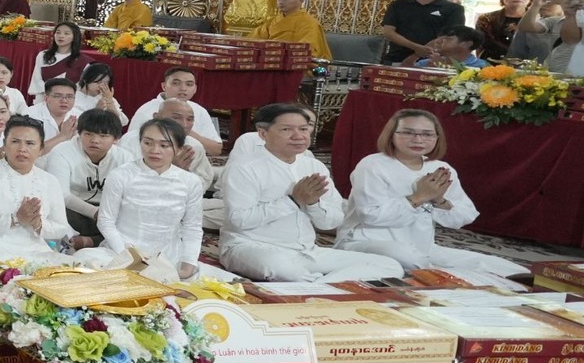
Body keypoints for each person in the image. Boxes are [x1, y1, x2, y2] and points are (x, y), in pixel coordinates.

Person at [335, 109, 526, 285]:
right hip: (364, 241)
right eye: (408, 132)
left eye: (427, 134)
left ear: (437, 138)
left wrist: (439, 201)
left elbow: (464, 216)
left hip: (421, 246)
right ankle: (445, 282)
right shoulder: (373, 165)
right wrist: (417, 198)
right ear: (391, 135)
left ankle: (449, 280)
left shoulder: (439, 168)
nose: (418, 139)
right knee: (409, 258)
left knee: (497, 265)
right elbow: (370, 216)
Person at [218, 103, 400, 283]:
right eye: (286, 130)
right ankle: (318, 283)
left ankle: (316, 285)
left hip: (306, 252)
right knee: (284, 269)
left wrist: (313, 204)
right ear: (263, 133)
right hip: (252, 247)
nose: (298, 136)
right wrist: (293, 201)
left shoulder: (313, 166)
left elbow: (331, 222)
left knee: (390, 266)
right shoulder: (244, 168)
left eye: (304, 129)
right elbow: (239, 221)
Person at [78, 117, 206, 267]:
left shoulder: (190, 182)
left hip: (167, 257)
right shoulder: (121, 175)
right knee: (82, 259)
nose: (154, 150)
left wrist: (189, 262)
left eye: (164, 145)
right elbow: (106, 221)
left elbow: (192, 227)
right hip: (121, 252)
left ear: (179, 149)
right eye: (147, 143)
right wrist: (127, 256)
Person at [0, 117, 71, 268]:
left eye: (30, 143)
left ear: (41, 149)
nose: (22, 149)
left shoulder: (49, 181)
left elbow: (61, 227)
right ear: (4, 145)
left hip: (34, 249)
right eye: (15, 142)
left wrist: (38, 224)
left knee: (74, 267)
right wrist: (15, 219)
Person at [42, 107, 130, 247]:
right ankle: (82, 241)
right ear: (79, 133)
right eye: (88, 134)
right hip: (74, 209)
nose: (94, 140)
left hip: (108, 210)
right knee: (55, 212)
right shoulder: (61, 152)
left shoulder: (124, 157)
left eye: (103, 136)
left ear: (116, 139)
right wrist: (94, 212)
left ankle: (91, 241)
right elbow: (60, 194)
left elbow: (129, 195)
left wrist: (106, 213)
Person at [126, 67, 222, 160]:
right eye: (176, 83)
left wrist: (186, 131)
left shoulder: (199, 110)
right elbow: (132, 146)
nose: (183, 88)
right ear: (164, 86)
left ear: (195, 89)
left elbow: (216, 149)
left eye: (189, 84)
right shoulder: (146, 111)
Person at [378, 0, 466, 65]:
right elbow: (388, 32)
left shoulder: (454, 9)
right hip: (396, 60)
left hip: (433, 62)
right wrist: (416, 48)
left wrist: (418, 55)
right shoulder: (397, 5)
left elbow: (449, 36)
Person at [251, 0, 331, 59]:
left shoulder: (308, 22)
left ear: (301, 1)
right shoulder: (273, 20)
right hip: (269, 58)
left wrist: (279, 54)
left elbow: (307, 48)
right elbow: (255, 38)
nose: (280, 2)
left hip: (292, 61)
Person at [26, 23, 85, 96]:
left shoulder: (82, 60)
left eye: (66, 33)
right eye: (58, 32)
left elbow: (80, 86)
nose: (61, 36)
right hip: (45, 97)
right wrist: (51, 94)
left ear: (74, 37)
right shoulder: (43, 55)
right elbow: (37, 79)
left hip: (69, 100)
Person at [411, 26, 487, 69]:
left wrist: (440, 67)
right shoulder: (425, 63)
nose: (437, 42)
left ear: (466, 44)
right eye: (438, 38)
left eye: (447, 39)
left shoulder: (482, 67)